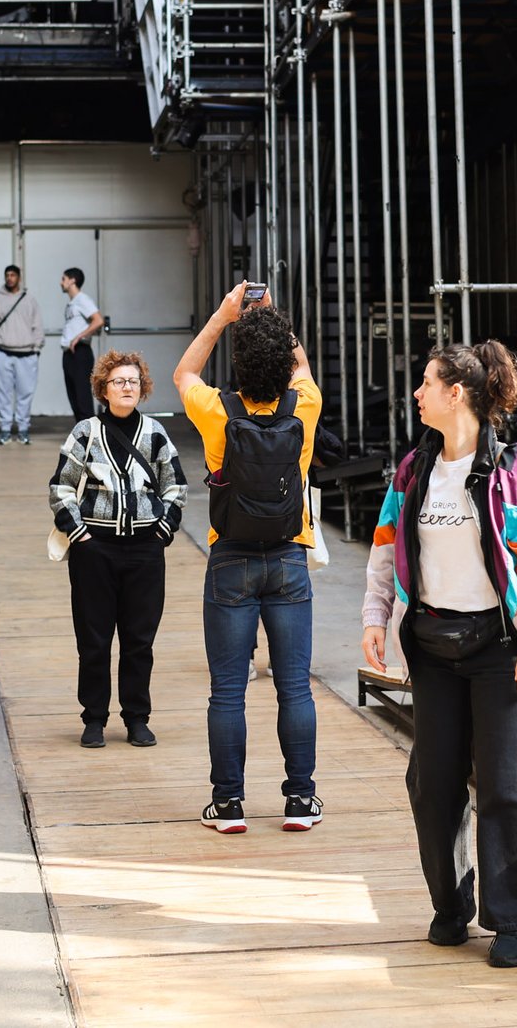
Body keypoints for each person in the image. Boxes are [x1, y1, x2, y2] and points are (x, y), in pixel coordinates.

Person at [360, 341, 517, 969]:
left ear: (457, 393)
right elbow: (384, 548)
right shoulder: (413, 471)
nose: (417, 393)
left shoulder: (516, 468)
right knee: (434, 787)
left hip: (501, 650)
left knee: (509, 788)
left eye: (426, 383)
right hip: (430, 647)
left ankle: (514, 923)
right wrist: (376, 617)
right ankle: (450, 907)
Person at [173, 283, 322, 835]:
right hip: (289, 557)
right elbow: (301, 365)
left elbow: (184, 373)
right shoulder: (304, 405)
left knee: (228, 690)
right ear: (284, 360)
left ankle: (229, 804)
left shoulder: (217, 411)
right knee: (295, 687)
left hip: (230, 556)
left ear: (237, 364)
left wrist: (224, 315)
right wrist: (271, 318)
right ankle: (301, 801)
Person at [49, 351, 187, 749]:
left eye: (133, 381)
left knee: (139, 640)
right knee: (93, 640)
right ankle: (93, 719)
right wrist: (80, 536)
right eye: (118, 382)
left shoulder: (156, 433)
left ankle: (136, 718)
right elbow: (61, 486)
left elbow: (175, 486)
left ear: (142, 388)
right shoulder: (85, 432)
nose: (127, 387)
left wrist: (163, 530)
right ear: (103, 389)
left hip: (145, 550)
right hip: (95, 551)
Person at [0, 264, 43, 445]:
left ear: (19, 277)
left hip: (27, 353)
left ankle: (23, 429)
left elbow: (37, 325)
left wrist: (36, 347)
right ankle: (5, 429)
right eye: (7, 275)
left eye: (13, 275)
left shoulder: (29, 300)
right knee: (4, 394)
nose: (10, 278)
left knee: (26, 393)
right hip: (2, 353)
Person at [59, 268, 104, 421]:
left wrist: (79, 337)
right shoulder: (72, 303)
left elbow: (98, 320)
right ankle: (82, 438)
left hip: (80, 352)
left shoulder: (82, 299)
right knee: (74, 399)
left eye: (64, 279)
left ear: (72, 280)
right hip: (69, 353)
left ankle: (91, 439)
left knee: (82, 397)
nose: (61, 282)